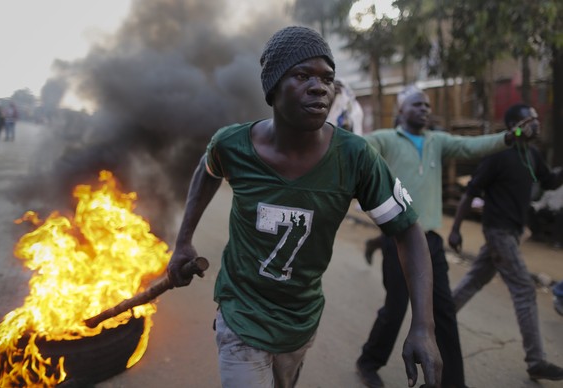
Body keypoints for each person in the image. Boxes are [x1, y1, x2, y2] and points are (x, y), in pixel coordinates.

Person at [166, 26, 443, 388]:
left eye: (328, 78)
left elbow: (407, 231)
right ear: (273, 88)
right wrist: (183, 240)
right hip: (241, 313)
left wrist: (423, 327)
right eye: (302, 75)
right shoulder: (232, 145)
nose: (320, 87)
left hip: (300, 318)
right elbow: (207, 171)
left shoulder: (355, 157)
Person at [356, 85, 524, 388]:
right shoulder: (385, 139)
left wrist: (511, 137)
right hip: (397, 239)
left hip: (430, 241)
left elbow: (473, 147)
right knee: (396, 308)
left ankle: (454, 382)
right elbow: (357, 147)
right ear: (401, 110)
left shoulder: (438, 142)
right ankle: (369, 361)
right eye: (417, 104)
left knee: (443, 312)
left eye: (427, 105)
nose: (425, 109)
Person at [448, 103, 563, 382]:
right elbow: (470, 192)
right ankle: (536, 360)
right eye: (530, 119)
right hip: (497, 230)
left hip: (511, 232)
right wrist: (456, 229)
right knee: (525, 289)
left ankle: (438, 317)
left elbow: (549, 182)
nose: (536, 123)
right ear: (514, 125)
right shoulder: (497, 155)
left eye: (537, 118)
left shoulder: (532, 155)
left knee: (475, 279)